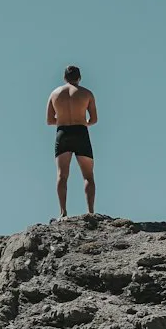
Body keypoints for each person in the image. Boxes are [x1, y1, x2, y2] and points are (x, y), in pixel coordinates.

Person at [46, 65, 98, 217]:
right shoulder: (87, 93)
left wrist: (63, 120)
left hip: (63, 133)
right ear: (79, 78)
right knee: (88, 176)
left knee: (62, 175)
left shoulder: (55, 94)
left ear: (64, 78)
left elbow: (49, 120)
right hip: (81, 132)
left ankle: (63, 212)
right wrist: (83, 122)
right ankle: (91, 212)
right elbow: (94, 119)